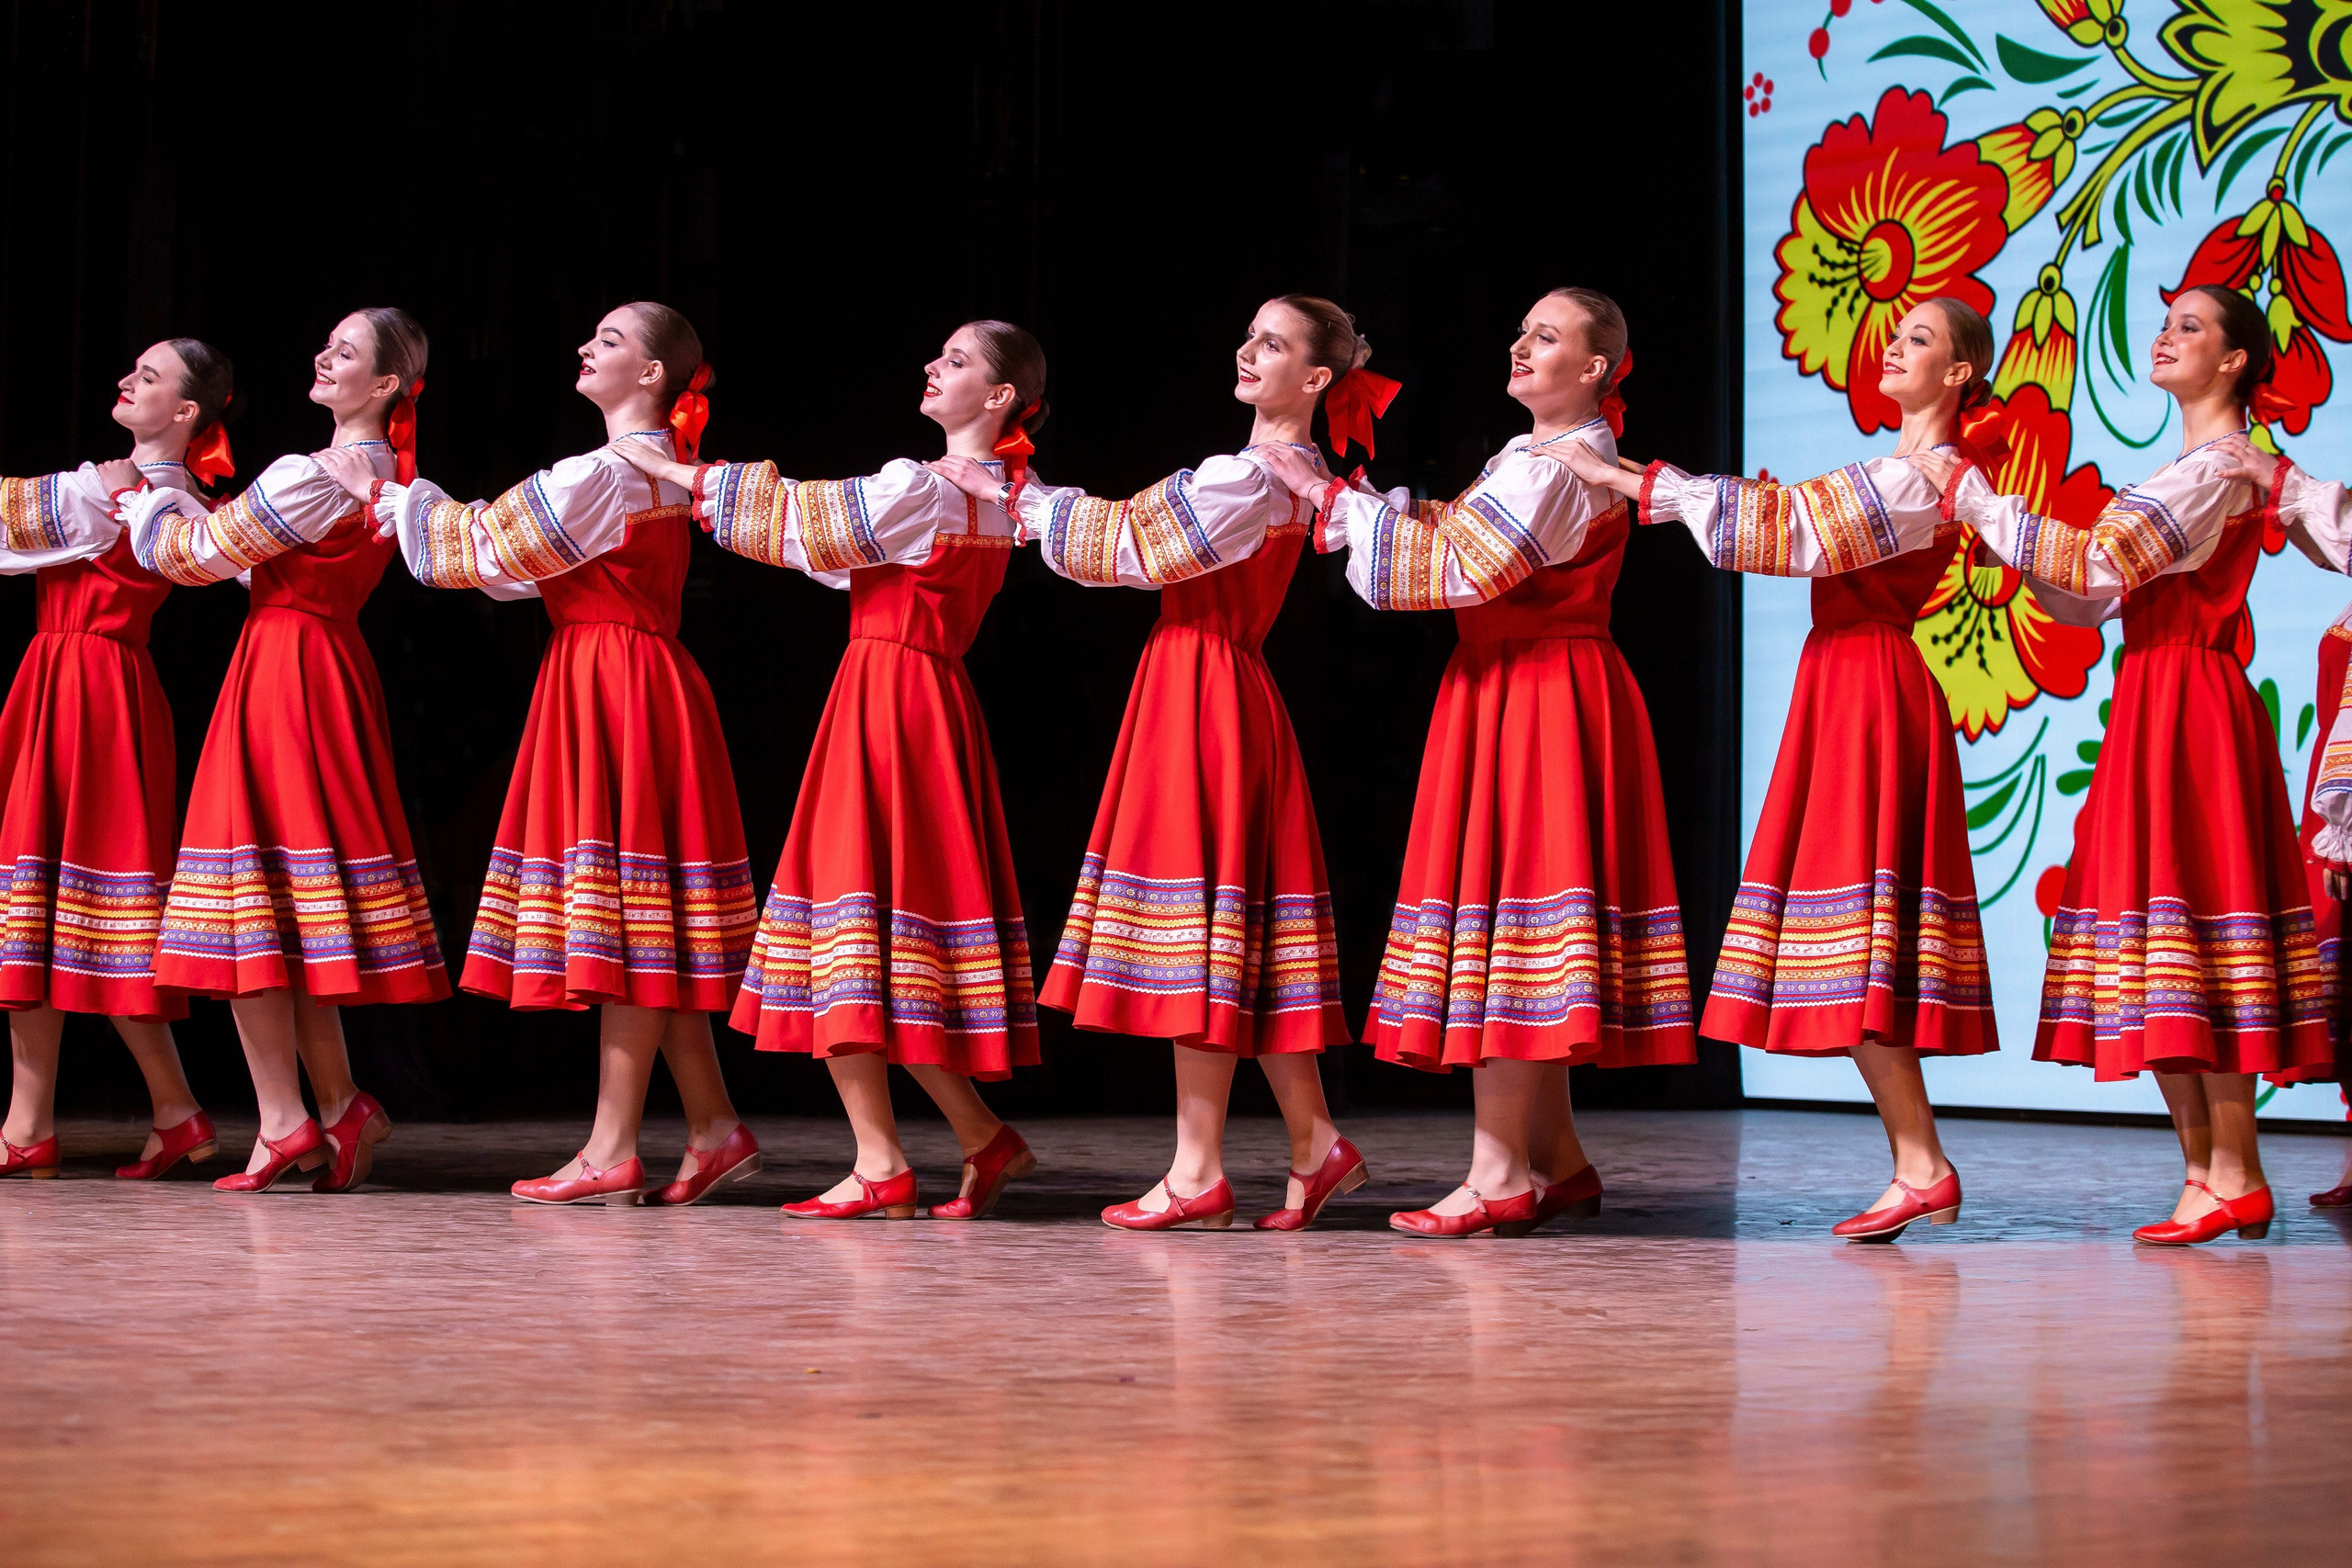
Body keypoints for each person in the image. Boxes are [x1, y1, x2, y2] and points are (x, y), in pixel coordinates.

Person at [931, 297, 1385, 1232]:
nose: (1246, 350)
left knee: (1198, 932)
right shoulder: (1297, 470)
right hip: (1226, 681)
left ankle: (1198, 1168)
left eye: (1272, 344)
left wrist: (1024, 498)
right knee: (1232, 933)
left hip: (1200, 683)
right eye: (1248, 334)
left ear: (1316, 379)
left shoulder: (1250, 474)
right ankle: (1310, 1139)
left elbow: (1135, 546)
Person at [1555, 297, 1999, 1240]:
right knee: (1844, 945)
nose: (1893, 343)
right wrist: (1623, 474)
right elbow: (1785, 515)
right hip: (1843, 679)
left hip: (1871, 687)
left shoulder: (1932, 474)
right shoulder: (1898, 467)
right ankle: (1919, 1160)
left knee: (1860, 936)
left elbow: (1794, 526)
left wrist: (1624, 477)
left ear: (1960, 374)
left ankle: (1921, 1161)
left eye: (1919, 339)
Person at [1259, 288, 1696, 1237]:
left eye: (1546, 337)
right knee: (1514, 920)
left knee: (1515, 926)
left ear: (1593, 369)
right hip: (1509, 683)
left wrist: (1346, 508)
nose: (1519, 345)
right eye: (1521, 330)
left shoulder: (1566, 468)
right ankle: (1559, 1161)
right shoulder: (1528, 458)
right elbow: (1450, 543)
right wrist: (1365, 509)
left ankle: (1499, 1173)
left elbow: (1460, 568)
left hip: (1539, 689)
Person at [1913, 284, 2338, 1245]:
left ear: (2234, 360)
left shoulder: (2218, 470)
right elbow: (2084, 600)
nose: (2165, 334)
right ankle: (2209, 1172)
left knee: (2190, 919)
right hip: (2153, 698)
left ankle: (2230, 1170)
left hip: (2190, 703)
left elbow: (2100, 561)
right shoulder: (2187, 468)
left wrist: (1979, 498)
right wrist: (2016, 547)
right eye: (2166, 320)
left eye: (2191, 325)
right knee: (2160, 936)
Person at [324, 303, 759, 1208]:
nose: (582, 346)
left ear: (651, 376)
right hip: (622, 672)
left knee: (627, 924)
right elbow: (512, 569)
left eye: (608, 341)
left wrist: (408, 499)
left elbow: (484, 549)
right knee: (645, 922)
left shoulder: (605, 472)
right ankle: (713, 1126)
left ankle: (612, 1143)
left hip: (615, 679)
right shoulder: (640, 471)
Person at [619, 321, 1043, 1220]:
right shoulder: (998, 498)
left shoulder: (923, 488)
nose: (933, 366)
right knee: (891, 944)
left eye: (959, 362)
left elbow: (805, 518)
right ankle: (973, 1135)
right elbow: (834, 547)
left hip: (885, 700)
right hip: (934, 704)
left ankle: (884, 1161)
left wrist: (677, 472)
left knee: (844, 927)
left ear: (1000, 397)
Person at [123, 310, 448, 1193]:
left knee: (245, 905)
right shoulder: (379, 472)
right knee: (286, 910)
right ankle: (336, 1103)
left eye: (345, 353)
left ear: (384, 386)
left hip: (283, 670)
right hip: (323, 663)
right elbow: (244, 554)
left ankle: (284, 1119)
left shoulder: (314, 472)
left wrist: (152, 492)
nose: (322, 355)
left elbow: (189, 558)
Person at [0, 341, 232, 1179]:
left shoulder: (156, 499)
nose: (127, 379)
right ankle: (155, 1111)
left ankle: (82, 1118)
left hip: (95, 686)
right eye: (129, 368)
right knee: (44, 906)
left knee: (91, 900)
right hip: (59, 678)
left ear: (185, 414)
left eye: (150, 377)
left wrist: (99, 488)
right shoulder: (99, 485)